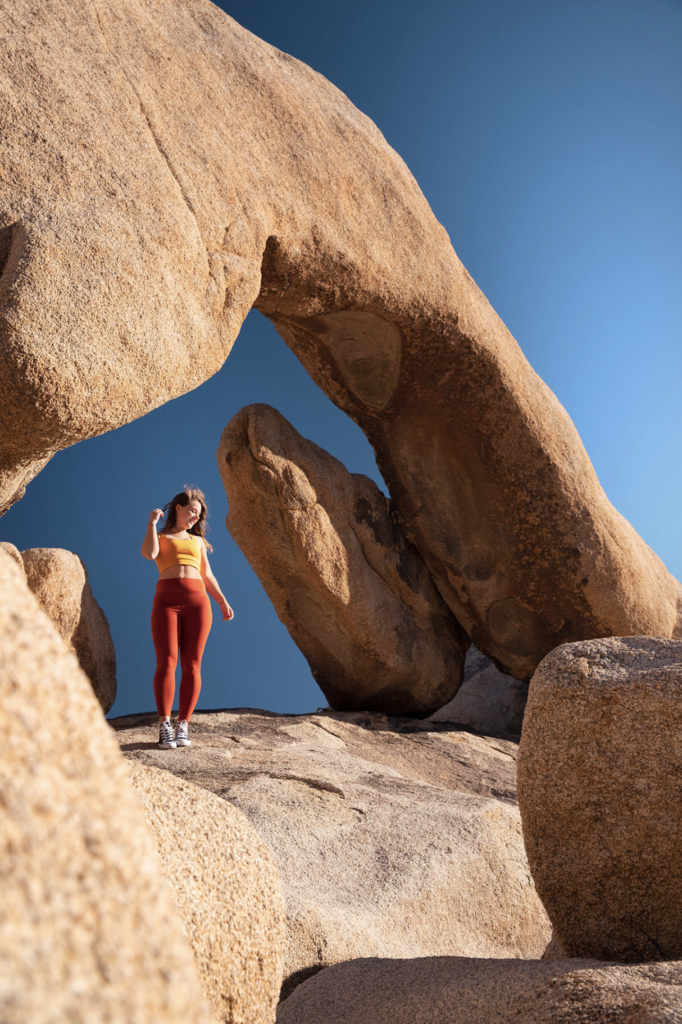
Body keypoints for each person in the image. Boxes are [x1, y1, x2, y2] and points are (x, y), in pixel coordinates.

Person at [141, 487, 234, 749]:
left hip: (198, 602)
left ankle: (184, 724)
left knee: (192, 664)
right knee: (167, 662)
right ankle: (164, 725)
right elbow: (149, 554)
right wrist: (151, 523)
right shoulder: (158, 535)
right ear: (178, 508)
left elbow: (208, 575)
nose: (195, 516)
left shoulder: (198, 542)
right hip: (166, 602)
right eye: (192, 510)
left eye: (199, 514)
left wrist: (222, 601)